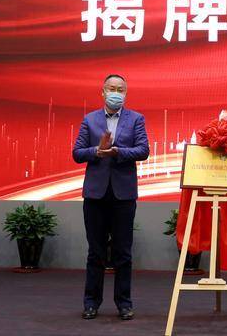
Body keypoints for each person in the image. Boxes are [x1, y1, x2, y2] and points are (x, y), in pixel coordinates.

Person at [73, 74, 149, 321]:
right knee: (95, 252)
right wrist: (97, 151)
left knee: (123, 252)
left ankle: (124, 304)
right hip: (95, 194)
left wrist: (118, 152)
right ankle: (91, 302)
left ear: (126, 93)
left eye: (121, 89)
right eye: (112, 89)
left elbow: (143, 150)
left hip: (123, 194)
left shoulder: (136, 119)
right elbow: (77, 153)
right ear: (103, 92)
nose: (116, 93)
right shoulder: (90, 119)